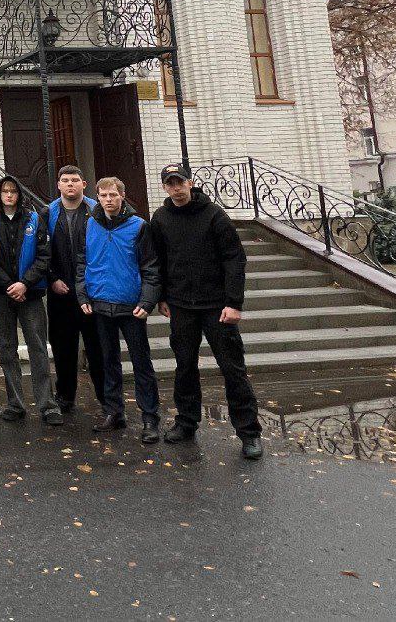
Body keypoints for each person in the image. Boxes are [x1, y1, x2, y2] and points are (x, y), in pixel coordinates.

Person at [150, 164, 263, 460]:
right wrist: (161, 297)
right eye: (170, 184)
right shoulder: (161, 218)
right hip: (181, 306)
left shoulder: (214, 216)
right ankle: (187, 422)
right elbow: (158, 260)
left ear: (190, 183)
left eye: (180, 182)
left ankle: (249, 433)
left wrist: (234, 302)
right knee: (185, 367)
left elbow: (234, 259)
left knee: (232, 369)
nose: (176, 188)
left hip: (217, 307)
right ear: (164, 187)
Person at [76, 176, 162, 443]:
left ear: (122, 196)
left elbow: (150, 267)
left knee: (141, 363)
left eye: (113, 195)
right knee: (107, 361)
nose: (108, 200)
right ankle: (114, 411)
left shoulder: (138, 227)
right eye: (103, 195)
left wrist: (147, 301)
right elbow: (82, 262)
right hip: (100, 304)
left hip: (131, 305)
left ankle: (149, 417)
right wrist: (83, 295)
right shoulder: (90, 224)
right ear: (97, 197)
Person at [0, 175, 61, 425]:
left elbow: (44, 255)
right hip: (2, 295)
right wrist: (8, 285)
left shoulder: (34, 219)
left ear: (19, 194)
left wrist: (24, 283)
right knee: (6, 349)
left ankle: (47, 404)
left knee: (38, 347)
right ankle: (15, 403)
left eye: (13, 191)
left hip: (31, 293)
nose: (9, 195)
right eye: (4, 191)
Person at [46, 165, 105, 414]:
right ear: (58, 185)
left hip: (91, 291)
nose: (70, 184)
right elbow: (41, 251)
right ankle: (65, 396)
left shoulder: (97, 210)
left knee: (97, 347)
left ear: (83, 184)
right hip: (60, 291)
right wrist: (51, 279)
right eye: (65, 180)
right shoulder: (47, 213)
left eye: (75, 180)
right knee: (63, 347)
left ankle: (107, 398)